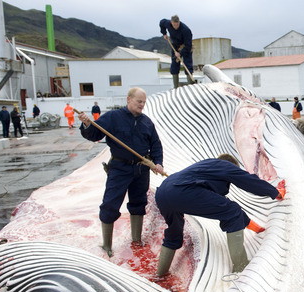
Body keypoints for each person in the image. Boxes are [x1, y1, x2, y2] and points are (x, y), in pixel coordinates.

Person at [154, 154, 286, 276]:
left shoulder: (206, 167)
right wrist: (274, 192)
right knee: (232, 212)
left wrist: (254, 227)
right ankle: (240, 266)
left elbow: (221, 204)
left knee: (174, 232)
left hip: (163, 193)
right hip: (183, 191)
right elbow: (248, 181)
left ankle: (160, 274)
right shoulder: (225, 165)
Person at [77, 87, 166, 257]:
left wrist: (158, 163)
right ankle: (107, 245)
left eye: (144, 102)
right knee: (110, 204)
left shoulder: (147, 122)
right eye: (139, 101)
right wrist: (87, 123)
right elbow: (94, 135)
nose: (142, 105)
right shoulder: (112, 117)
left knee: (138, 203)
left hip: (141, 168)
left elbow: (156, 145)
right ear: (128, 99)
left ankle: (136, 239)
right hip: (120, 168)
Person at [159, 15, 193, 88]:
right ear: (171, 23)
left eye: (177, 24)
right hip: (175, 45)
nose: (176, 26)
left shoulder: (186, 30)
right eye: (174, 25)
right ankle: (176, 87)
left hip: (185, 46)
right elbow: (161, 23)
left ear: (179, 22)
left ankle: (190, 86)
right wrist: (164, 33)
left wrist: (180, 53)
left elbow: (188, 45)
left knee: (187, 64)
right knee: (174, 65)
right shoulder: (167, 23)